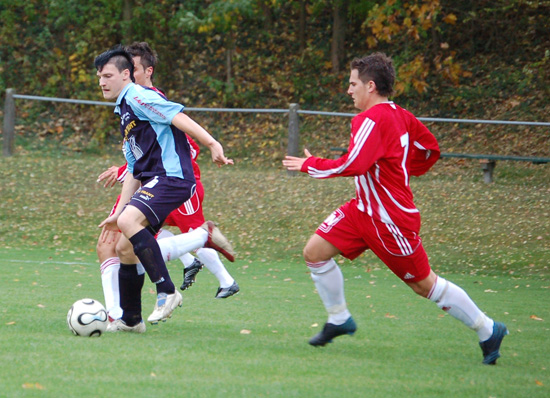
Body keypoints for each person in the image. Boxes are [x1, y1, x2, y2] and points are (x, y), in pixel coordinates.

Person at [282, 52, 508, 365]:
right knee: (315, 253)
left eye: (352, 84)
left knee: (424, 284)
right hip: (362, 211)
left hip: (390, 219)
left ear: (370, 86)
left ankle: (488, 328)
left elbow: (354, 164)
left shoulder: (370, 119)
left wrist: (310, 165)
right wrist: (399, 168)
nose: (349, 90)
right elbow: (429, 150)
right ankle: (339, 318)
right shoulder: (401, 114)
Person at [94, 45, 235, 333]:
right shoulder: (123, 109)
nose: (102, 82)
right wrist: (118, 212)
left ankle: (167, 290)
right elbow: (134, 169)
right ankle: (131, 320)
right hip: (156, 179)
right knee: (124, 247)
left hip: (172, 177)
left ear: (125, 74)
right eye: (99, 77)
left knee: (129, 224)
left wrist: (212, 144)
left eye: (108, 75)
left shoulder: (138, 95)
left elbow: (178, 117)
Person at [125, 42, 239, 298]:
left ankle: (226, 280)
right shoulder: (132, 104)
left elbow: (185, 146)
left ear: (148, 71)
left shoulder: (153, 100)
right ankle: (189, 263)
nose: (127, 74)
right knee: (141, 230)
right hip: (157, 182)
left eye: (132, 68)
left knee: (194, 232)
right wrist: (124, 168)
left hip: (178, 184)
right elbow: (147, 150)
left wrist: (211, 143)